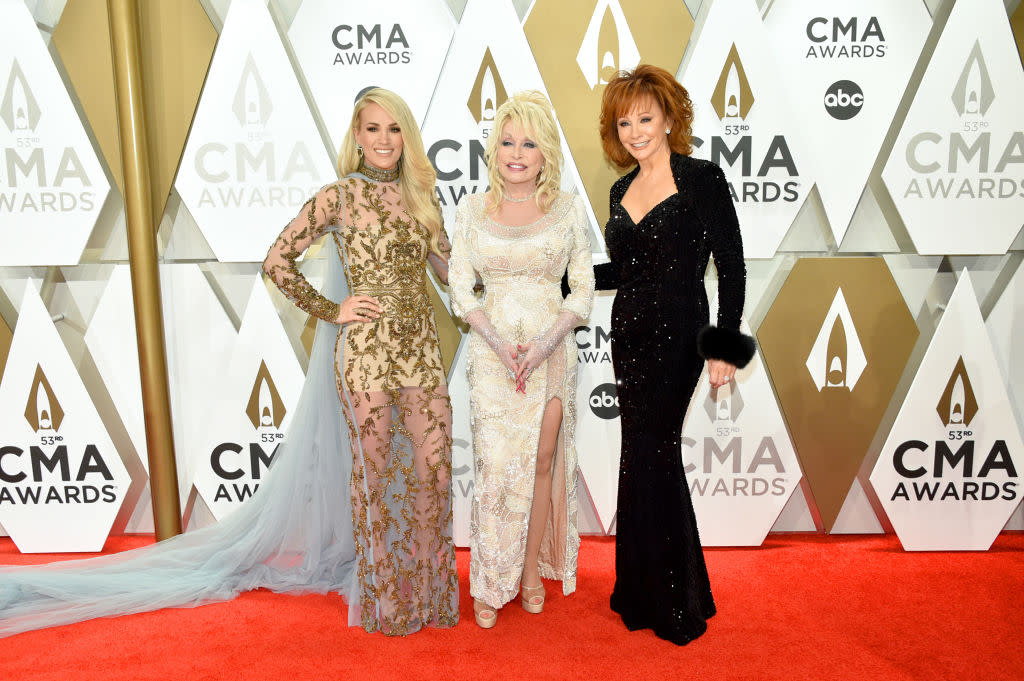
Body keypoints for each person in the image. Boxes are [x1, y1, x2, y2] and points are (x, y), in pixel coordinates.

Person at [0, 88, 457, 638]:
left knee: (431, 470)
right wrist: (332, 309)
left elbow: (451, 271)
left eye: (394, 129)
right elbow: (276, 261)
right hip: (365, 358)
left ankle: (433, 595)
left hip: (423, 353)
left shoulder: (422, 196)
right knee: (375, 477)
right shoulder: (338, 197)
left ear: (406, 135)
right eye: (373, 129)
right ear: (357, 138)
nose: (384, 140)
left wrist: (504, 280)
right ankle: (388, 604)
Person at [594, 65, 754, 645]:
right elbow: (623, 270)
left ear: (668, 117)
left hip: (680, 334)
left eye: (645, 117)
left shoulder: (702, 179)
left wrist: (725, 347)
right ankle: (641, 591)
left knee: (656, 454)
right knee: (638, 455)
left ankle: (678, 600)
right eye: (624, 121)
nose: (636, 130)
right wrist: (558, 279)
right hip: (628, 335)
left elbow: (731, 265)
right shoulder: (620, 189)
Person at [448, 91, 594, 629]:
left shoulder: (568, 208)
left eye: (529, 143)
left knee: (539, 465)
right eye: (508, 141)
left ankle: (530, 572)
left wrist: (544, 344)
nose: (517, 152)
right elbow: (461, 289)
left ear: (544, 152)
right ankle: (489, 584)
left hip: (549, 356)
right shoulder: (470, 209)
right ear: (495, 149)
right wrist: (491, 336)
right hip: (492, 359)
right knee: (493, 471)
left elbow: (581, 291)